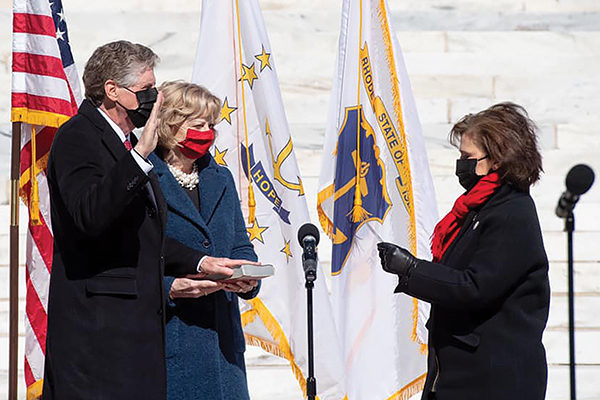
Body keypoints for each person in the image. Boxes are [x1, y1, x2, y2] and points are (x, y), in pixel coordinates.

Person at [43, 41, 244, 399]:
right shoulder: (78, 137)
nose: (154, 98)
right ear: (112, 90)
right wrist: (139, 156)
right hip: (98, 338)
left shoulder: (128, 145)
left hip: (134, 341)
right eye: (145, 91)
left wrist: (200, 260)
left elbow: (143, 234)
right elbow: (90, 216)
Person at [378, 103, 550, 400]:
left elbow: (476, 286)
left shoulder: (513, 212)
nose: (461, 165)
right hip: (454, 375)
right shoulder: (476, 209)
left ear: (496, 160)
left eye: (467, 157)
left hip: (492, 381)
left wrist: (411, 269)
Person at [148, 80, 260, 400]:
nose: (208, 132)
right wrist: (171, 285)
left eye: (211, 125)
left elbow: (240, 243)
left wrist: (247, 278)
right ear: (171, 124)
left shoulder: (220, 177)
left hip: (224, 347)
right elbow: (135, 254)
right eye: (198, 124)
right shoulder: (144, 177)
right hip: (173, 337)